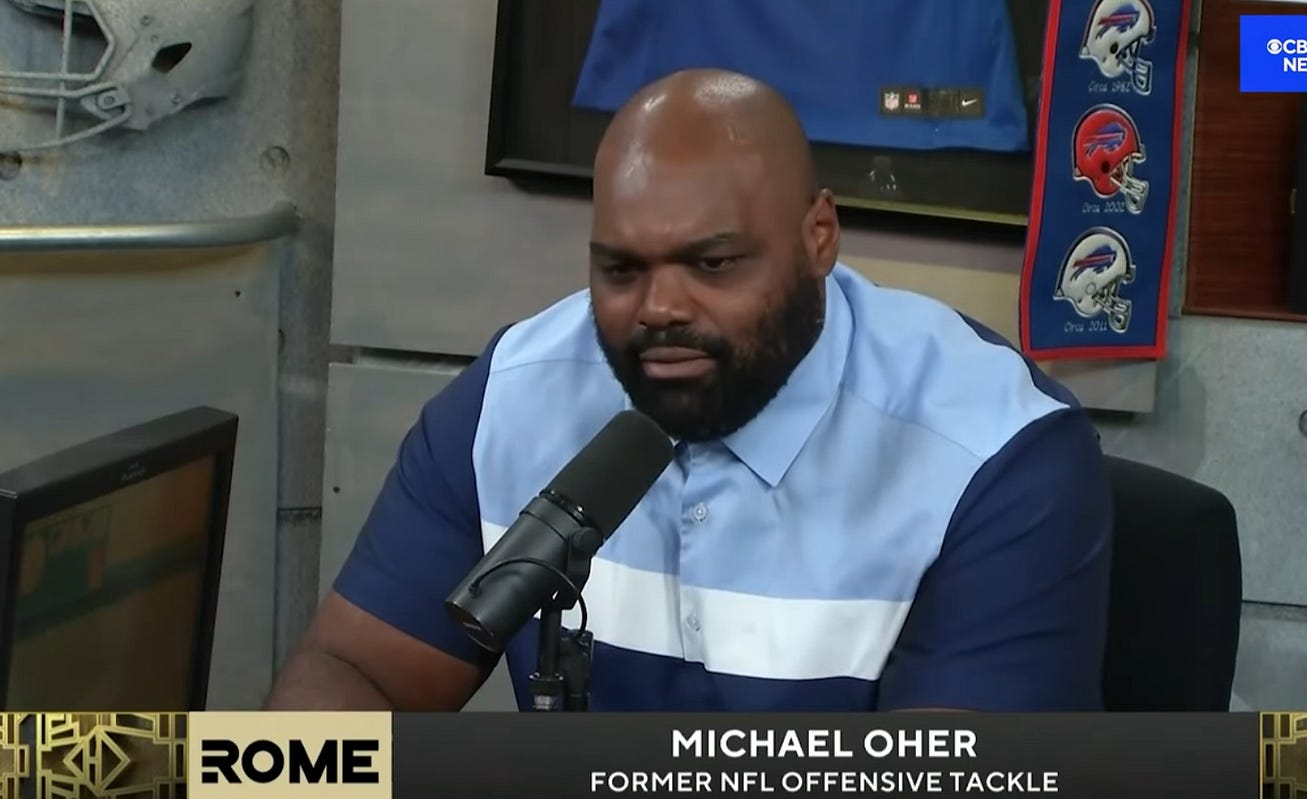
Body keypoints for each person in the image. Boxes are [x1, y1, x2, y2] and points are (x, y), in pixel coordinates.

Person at [266, 69, 1113, 712]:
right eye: (621, 269)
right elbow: (359, 669)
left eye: (713, 263)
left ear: (819, 236)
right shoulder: (513, 396)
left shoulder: (992, 450)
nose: (660, 309)